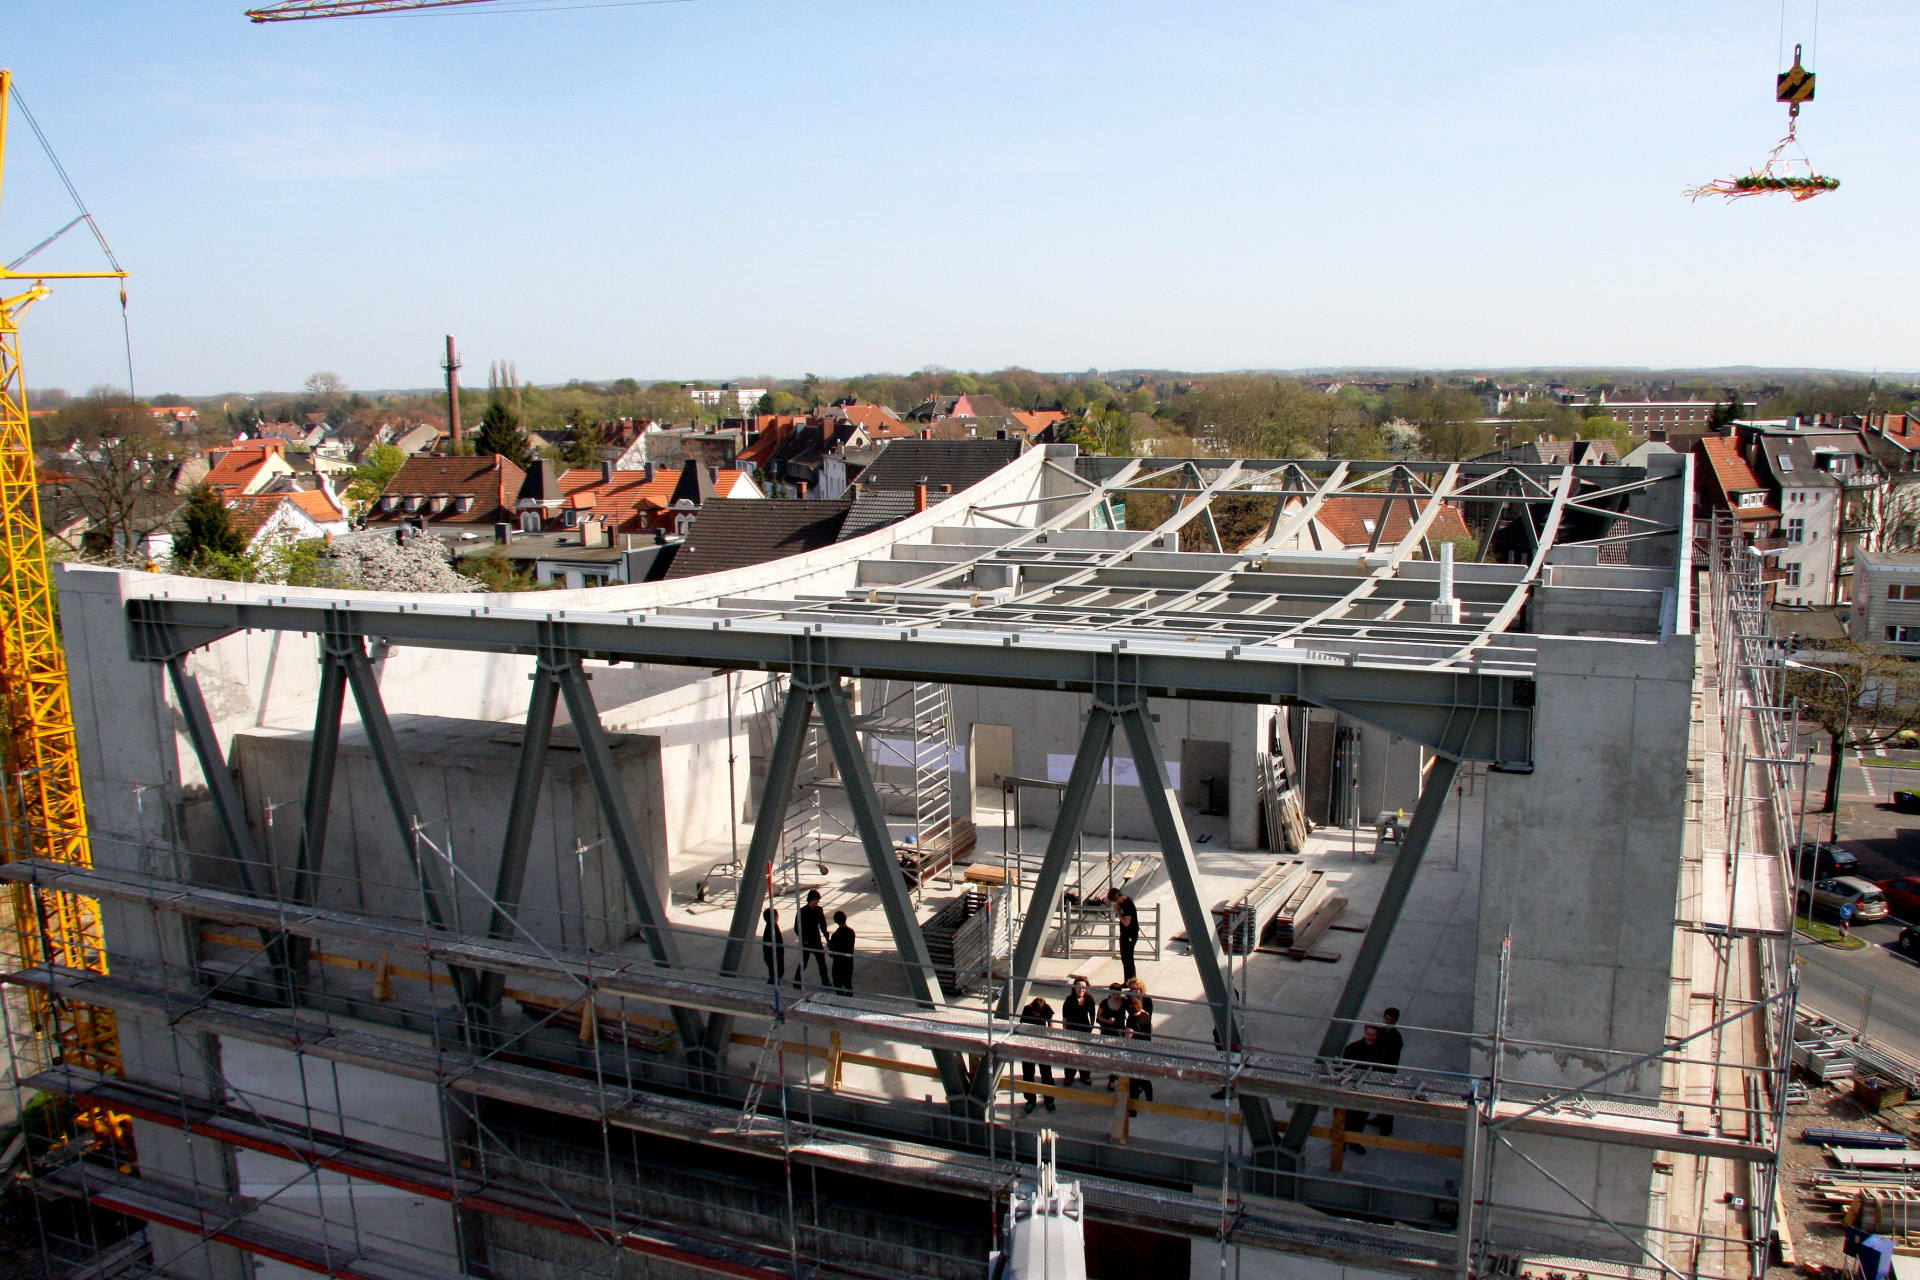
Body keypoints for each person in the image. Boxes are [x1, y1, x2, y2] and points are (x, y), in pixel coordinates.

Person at [1339, 1025, 1385, 1155]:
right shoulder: (1352, 1048)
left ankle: (1354, 1141)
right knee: (1347, 1115)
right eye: (1368, 1034)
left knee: (1361, 1116)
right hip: (1352, 1087)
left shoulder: (1379, 1050)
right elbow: (1345, 1068)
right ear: (1364, 1033)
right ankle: (1342, 1141)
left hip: (1366, 1088)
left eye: (1373, 1035)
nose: (1370, 1037)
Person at [1368, 1008, 1404, 1136]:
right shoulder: (1380, 1031)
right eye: (1387, 1019)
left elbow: (1393, 1058)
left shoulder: (1396, 1038)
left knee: (1387, 1097)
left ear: (1395, 1021)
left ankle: (1387, 1124)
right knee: (1378, 1095)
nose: (1388, 1021)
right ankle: (1379, 1118)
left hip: (1387, 1070)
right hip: (1378, 1068)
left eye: (1391, 1020)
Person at [1019, 994, 1056, 1114]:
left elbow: (1051, 1023)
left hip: (1042, 1044)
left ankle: (1049, 1099)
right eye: (1036, 1012)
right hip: (1029, 1044)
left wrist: (1050, 1037)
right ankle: (1030, 1100)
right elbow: (1021, 1027)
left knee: (1046, 1073)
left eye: (1039, 1013)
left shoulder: (1047, 1009)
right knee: (1028, 1074)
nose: (1037, 1015)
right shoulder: (1026, 1010)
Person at [1060, 979, 1097, 1085]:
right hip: (1072, 1029)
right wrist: (1065, 1030)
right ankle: (1069, 1076)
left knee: (1084, 1053)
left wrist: (1091, 1026)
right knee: (1070, 1053)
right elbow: (1065, 1016)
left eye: (1083, 987)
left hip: (1084, 1029)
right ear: (1074, 987)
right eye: (1079, 987)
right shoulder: (1069, 999)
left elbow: (1092, 1013)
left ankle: (1085, 1076)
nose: (1081, 989)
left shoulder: (1089, 999)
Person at [793, 889, 829, 987]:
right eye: (816, 900)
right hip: (807, 942)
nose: (817, 902)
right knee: (803, 963)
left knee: (822, 963)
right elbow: (797, 928)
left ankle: (825, 981)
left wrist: (827, 939)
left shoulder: (818, 910)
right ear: (812, 899)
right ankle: (797, 981)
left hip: (816, 940)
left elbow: (823, 925)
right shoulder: (802, 911)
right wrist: (804, 940)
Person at [1096, 983, 1129, 1091]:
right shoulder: (1105, 1003)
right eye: (1114, 994)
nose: (1117, 996)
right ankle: (1112, 1076)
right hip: (1107, 1033)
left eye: (1118, 994)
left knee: (1117, 1057)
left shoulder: (1124, 1002)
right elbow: (1098, 1017)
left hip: (1119, 1033)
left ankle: (1112, 1079)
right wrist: (1107, 1021)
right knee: (1110, 1057)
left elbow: (1132, 1012)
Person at [1125, 996, 1154, 1112]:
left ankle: (1133, 1108)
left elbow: (1128, 1036)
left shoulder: (1132, 1019)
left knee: (1134, 1081)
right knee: (1143, 1077)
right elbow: (1151, 1029)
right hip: (1145, 1050)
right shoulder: (1146, 1015)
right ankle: (1149, 1099)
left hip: (1134, 1051)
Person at [1107, 888, 1140, 982]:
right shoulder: (1124, 901)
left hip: (1129, 934)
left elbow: (1126, 922)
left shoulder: (1127, 905)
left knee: (1128, 959)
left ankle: (1131, 981)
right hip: (1126, 933)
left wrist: (1118, 911)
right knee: (1125, 959)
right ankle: (1128, 980)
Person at [827, 911, 856, 994]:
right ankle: (849, 1000)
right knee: (847, 983)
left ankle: (841, 999)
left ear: (835, 921)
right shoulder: (851, 932)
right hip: (848, 962)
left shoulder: (835, 935)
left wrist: (830, 944)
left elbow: (831, 953)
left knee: (837, 983)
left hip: (838, 963)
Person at [760, 907, 784, 984]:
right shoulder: (771, 927)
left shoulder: (773, 926)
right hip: (773, 955)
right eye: (777, 915)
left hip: (775, 954)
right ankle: (772, 988)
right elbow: (769, 943)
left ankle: (773, 986)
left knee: (777, 972)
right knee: (777, 972)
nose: (778, 916)